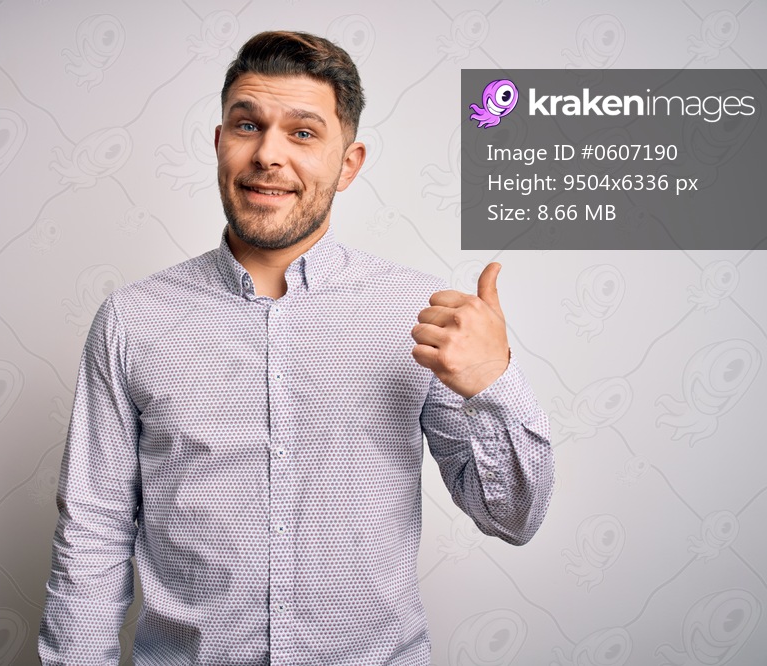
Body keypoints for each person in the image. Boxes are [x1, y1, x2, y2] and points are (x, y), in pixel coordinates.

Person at [39, 30, 554, 665]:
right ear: (220, 142)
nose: (268, 155)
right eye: (247, 125)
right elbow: (92, 536)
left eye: (303, 133)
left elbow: (514, 519)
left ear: (349, 163)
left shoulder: (417, 315)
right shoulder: (132, 321)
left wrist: (493, 386)